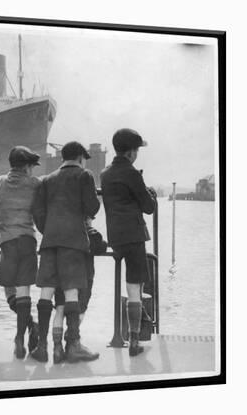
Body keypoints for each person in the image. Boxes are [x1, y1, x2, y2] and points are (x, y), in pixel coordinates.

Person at [31, 141, 100, 363]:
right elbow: (92, 208)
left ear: (62, 158)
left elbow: (38, 214)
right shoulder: (85, 175)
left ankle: (42, 347)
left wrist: (50, 231)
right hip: (74, 242)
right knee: (71, 292)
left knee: (46, 292)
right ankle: (74, 346)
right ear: (80, 157)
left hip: (50, 242)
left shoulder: (46, 180)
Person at [100, 128, 157, 357]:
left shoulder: (105, 174)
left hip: (116, 237)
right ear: (132, 152)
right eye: (137, 150)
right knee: (134, 288)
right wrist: (150, 193)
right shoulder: (133, 173)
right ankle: (134, 340)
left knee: (128, 286)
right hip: (134, 237)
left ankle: (121, 335)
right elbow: (149, 207)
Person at [0, 146, 41, 359]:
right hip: (28, 241)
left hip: (7, 243)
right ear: (27, 166)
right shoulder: (36, 184)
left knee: (10, 290)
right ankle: (22, 336)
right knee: (24, 290)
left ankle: (30, 326)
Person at [52, 218, 107, 363]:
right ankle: (71, 339)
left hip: (61, 275)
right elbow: (100, 247)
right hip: (84, 279)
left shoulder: (62, 230)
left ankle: (57, 349)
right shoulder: (90, 233)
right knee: (80, 310)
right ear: (88, 219)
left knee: (59, 309)